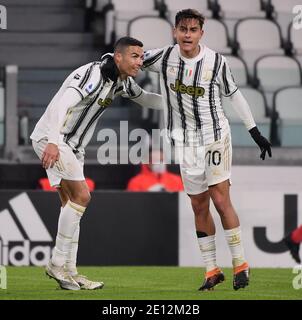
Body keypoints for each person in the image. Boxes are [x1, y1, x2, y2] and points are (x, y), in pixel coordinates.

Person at [142, 9, 272, 291]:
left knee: (220, 198)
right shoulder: (163, 57)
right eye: (182, 29)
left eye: (192, 29)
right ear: (175, 32)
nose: (187, 34)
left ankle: (240, 265)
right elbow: (131, 59)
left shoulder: (215, 61)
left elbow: (234, 95)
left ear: (202, 33)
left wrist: (254, 131)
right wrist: (108, 62)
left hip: (214, 137)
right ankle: (212, 270)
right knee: (198, 204)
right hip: (184, 143)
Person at [30, 36, 163, 290]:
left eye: (141, 56)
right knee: (82, 197)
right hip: (55, 140)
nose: (140, 61)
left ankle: (70, 271)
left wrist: (177, 103)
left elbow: (145, 98)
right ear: (118, 57)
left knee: (71, 204)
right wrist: (54, 142)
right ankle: (57, 263)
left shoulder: (122, 82)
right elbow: (62, 105)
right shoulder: (93, 74)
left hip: (72, 147)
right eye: (134, 56)